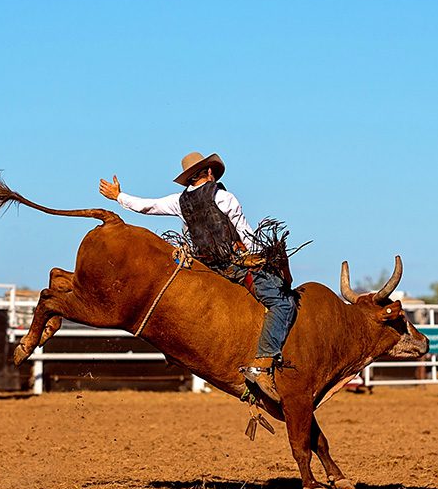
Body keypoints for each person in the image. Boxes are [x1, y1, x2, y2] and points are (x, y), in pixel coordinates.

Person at [99, 151, 296, 402]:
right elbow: (246, 235)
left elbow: (147, 206)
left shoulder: (178, 202)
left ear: (189, 178)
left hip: (203, 268)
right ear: (210, 172)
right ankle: (263, 364)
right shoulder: (224, 197)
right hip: (233, 266)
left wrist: (118, 196)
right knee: (283, 302)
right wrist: (263, 258)